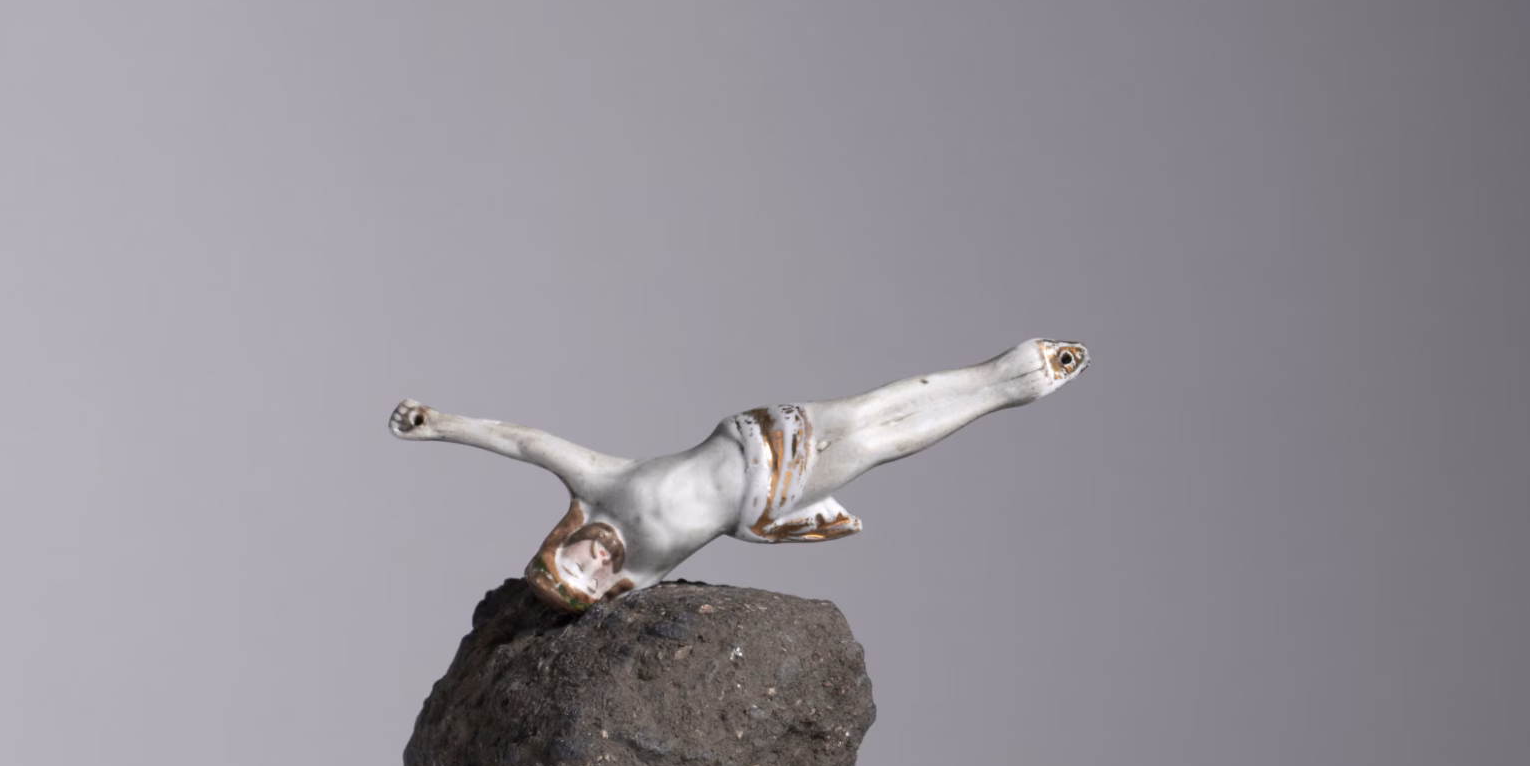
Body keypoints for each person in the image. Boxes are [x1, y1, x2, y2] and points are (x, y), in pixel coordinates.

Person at [389, 337, 1088, 606]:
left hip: (755, 434)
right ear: (604, 591)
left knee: (868, 410)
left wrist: (439, 423)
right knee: (882, 443)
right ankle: (1007, 393)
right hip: (768, 500)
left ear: (562, 539)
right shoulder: (645, 576)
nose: (596, 560)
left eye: (577, 558)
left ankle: (1002, 367)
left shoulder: (600, 485)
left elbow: (526, 442)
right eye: (592, 579)